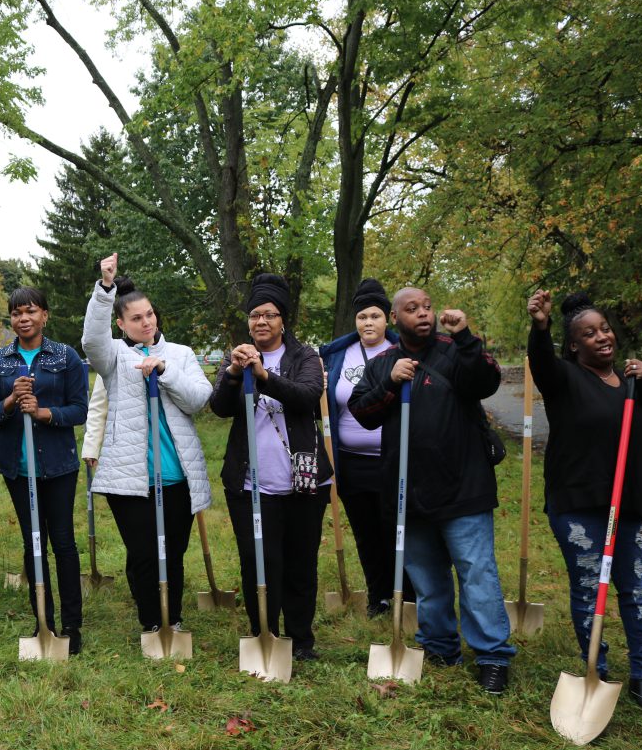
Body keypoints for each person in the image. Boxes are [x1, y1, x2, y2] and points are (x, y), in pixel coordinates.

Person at [349, 288, 515, 694]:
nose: (423, 314)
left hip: (463, 486)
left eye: (427, 307)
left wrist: (466, 337)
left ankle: (492, 656)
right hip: (408, 491)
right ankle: (439, 646)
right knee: (426, 577)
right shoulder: (383, 363)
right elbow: (362, 413)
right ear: (394, 317)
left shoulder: (454, 350)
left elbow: (486, 381)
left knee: (477, 572)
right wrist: (390, 383)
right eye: (412, 309)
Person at [527, 290, 642, 710]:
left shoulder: (634, 385)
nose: (602, 337)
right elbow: (541, 363)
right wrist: (540, 327)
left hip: (634, 507)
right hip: (579, 506)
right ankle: (596, 667)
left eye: (605, 329)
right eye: (589, 334)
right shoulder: (564, 379)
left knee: (636, 592)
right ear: (574, 345)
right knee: (588, 590)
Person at [81, 253, 212, 635]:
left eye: (150, 314)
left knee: (173, 552)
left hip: (176, 476)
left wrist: (165, 370)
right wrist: (105, 288)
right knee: (143, 554)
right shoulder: (115, 358)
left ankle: (174, 618)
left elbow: (198, 399)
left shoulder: (180, 354)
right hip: (130, 479)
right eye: (136, 318)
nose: (146, 322)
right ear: (121, 324)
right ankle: (152, 622)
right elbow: (92, 340)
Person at [210, 273, 332, 661]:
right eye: (255, 315)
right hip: (250, 484)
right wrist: (234, 373)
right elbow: (220, 407)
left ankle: (300, 640)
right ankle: (264, 632)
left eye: (269, 314)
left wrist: (263, 376)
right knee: (258, 562)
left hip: (303, 482)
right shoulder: (236, 357)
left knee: (300, 564)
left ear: (283, 320)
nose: (261, 321)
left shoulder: (304, 357)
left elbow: (307, 396)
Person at [0, 286, 88, 654]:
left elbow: (79, 409)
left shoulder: (65, 356)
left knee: (63, 542)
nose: (23, 318)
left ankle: (71, 625)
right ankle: (43, 618)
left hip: (58, 465)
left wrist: (44, 413)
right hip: (18, 468)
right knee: (33, 543)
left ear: (44, 315)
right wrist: (11, 400)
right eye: (16, 313)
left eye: (30, 311)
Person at [319, 278, 410, 616]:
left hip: (394, 458)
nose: (368, 323)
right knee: (365, 531)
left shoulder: (404, 351)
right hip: (350, 460)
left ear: (388, 318)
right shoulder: (336, 356)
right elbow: (324, 404)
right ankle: (378, 597)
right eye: (362, 317)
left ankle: (407, 595)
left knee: (395, 528)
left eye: (374, 316)